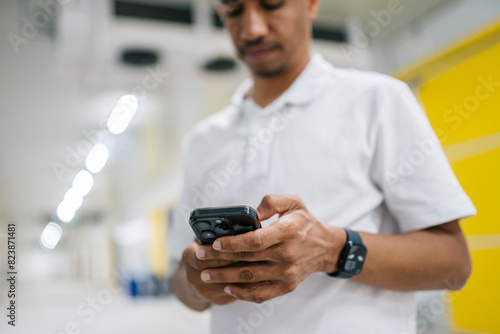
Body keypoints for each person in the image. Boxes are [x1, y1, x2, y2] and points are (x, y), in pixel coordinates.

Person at [169, 0, 477, 333]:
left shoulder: (379, 101)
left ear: (311, 4)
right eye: (234, 10)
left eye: (272, 4)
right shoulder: (202, 141)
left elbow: (454, 265)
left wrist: (332, 249)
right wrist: (198, 282)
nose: (252, 29)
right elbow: (179, 279)